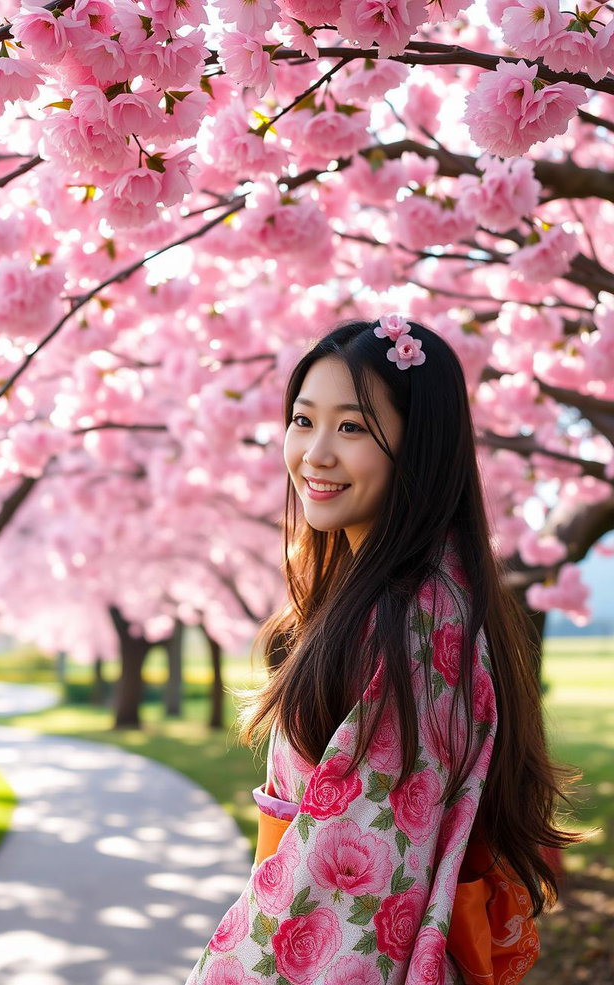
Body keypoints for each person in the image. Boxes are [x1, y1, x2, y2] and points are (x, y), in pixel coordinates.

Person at [185, 317, 578, 985]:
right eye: (303, 420)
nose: (315, 453)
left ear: (417, 446)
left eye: (352, 427)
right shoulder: (434, 598)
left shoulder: (403, 625)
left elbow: (352, 895)